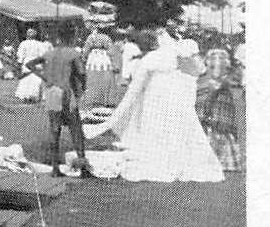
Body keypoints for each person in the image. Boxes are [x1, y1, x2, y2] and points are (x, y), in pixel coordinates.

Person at [85, 19, 224, 182]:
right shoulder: (173, 56)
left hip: (155, 98)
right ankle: (177, 158)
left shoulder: (149, 60)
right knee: (175, 128)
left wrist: (116, 116)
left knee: (155, 127)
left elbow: (134, 90)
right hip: (174, 97)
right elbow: (195, 71)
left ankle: (160, 159)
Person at [40, 31, 96, 178]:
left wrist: (46, 79)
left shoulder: (49, 53)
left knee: (54, 129)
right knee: (76, 129)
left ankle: (55, 168)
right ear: (70, 38)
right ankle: (83, 168)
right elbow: (82, 72)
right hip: (66, 92)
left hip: (52, 92)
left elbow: (34, 66)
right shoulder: (72, 53)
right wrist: (82, 87)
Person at [200, 46, 244, 171]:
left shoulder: (225, 82)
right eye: (213, 66)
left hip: (220, 114)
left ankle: (220, 162)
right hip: (214, 117)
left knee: (221, 134)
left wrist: (206, 113)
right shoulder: (207, 82)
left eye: (219, 65)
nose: (216, 69)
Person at [82, 25, 116, 111]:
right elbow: (111, 51)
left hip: (93, 59)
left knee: (92, 79)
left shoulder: (91, 37)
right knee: (105, 79)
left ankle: (93, 99)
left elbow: (86, 50)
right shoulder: (107, 38)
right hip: (104, 59)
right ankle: (105, 99)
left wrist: (84, 58)